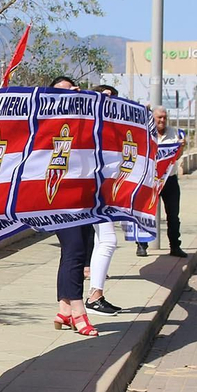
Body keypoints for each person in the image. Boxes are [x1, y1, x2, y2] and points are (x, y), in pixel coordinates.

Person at [47, 77, 99, 337]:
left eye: (70, 91)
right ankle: (79, 311)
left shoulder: (81, 120)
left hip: (83, 194)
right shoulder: (45, 122)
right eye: (60, 92)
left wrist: (84, 98)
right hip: (57, 195)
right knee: (75, 250)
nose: (66, 96)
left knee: (76, 248)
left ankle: (64, 309)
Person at [86, 84, 124, 315]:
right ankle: (93, 296)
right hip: (93, 190)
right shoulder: (90, 124)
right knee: (107, 240)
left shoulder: (112, 127)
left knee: (103, 241)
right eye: (104, 97)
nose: (108, 102)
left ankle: (94, 295)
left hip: (106, 190)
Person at [139, 104, 188, 258]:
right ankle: (142, 245)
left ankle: (175, 246)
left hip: (170, 180)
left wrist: (180, 148)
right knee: (145, 214)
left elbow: (177, 157)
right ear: (153, 118)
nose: (162, 120)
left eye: (164, 117)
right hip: (149, 180)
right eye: (159, 117)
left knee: (173, 215)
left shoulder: (176, 134)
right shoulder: (144, 132)